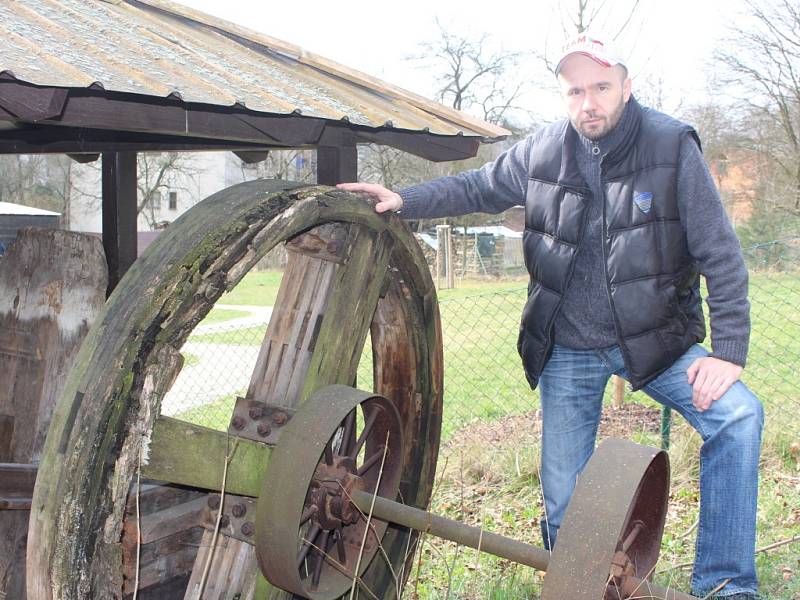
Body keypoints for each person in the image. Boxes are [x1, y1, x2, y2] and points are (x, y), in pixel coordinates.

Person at [339, 31, 765, 600]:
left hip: (658, 340)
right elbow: (479, 187)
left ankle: (727, 586)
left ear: (626, 87)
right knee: (565, 501)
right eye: (575, 91)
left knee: (737, 418)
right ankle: (585, 587)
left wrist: (728, 351)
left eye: (601, 87)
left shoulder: (670, 146)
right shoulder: (541, 151)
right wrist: (407, 200)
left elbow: (721, 253)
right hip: (568, 346)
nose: (588, 102)